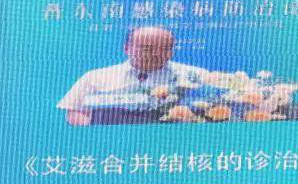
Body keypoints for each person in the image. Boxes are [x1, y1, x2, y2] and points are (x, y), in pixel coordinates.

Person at [57, 26, 210, 125]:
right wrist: (99, 134)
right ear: (126, 48)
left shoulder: (195, 76)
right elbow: (74, 111)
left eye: (165, 48)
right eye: (147, 48)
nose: (156, 54)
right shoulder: (95, 78)